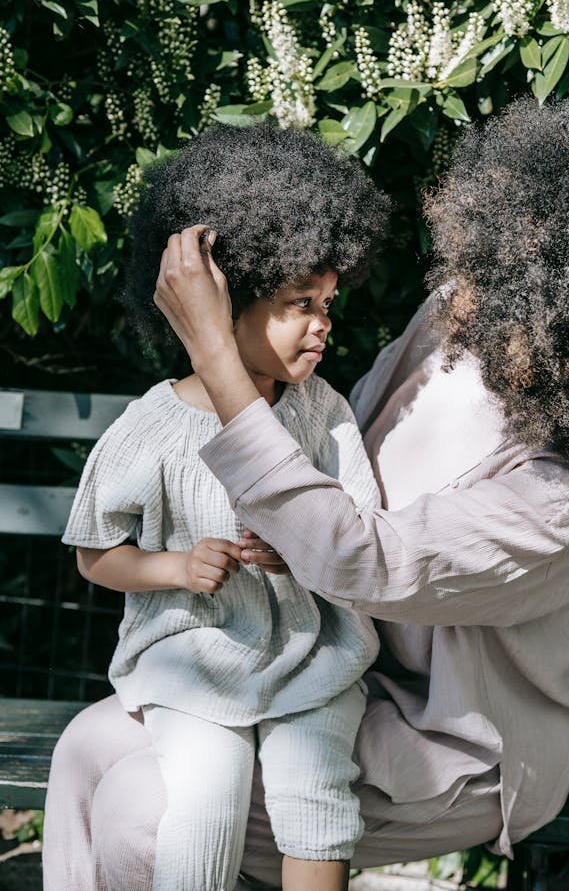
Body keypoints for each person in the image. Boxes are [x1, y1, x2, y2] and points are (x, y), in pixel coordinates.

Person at [43, 99, 569, 891]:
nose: (470, 286)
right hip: (312, 659)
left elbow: (362, 557)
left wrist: (214, 352)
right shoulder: (465, 319)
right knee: (85, 746)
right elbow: (333, 445)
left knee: (142, 811)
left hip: (447, 744)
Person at [45, 122, 391, 891]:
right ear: (223, 302)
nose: (323, 323)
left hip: (313, 652)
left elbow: (359, 531)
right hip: (196, 658)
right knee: (205, 792)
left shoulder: (323, 410)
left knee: (317, 787)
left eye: (329, 301)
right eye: (300, 302)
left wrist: (303, 542)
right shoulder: (158, 425)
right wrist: (174, 564)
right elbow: (94, 554)